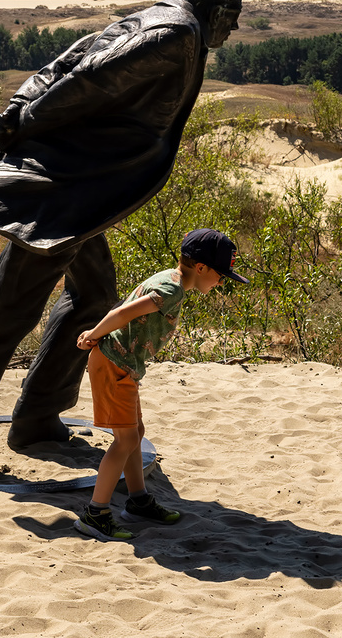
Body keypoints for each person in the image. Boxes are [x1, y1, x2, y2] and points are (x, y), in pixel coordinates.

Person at [0, 0, 248, 466]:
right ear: (215, 10)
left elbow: (64, 61)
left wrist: (22, 103)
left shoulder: (152, 18)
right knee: (9, 311)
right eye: (232, 16)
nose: (233, 28)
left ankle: (38, 417)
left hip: (83, 195)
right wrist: (25, 118)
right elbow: (89, 79)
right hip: (62, 192)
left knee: (95, 296)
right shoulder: (177, 33)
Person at [73, 228, 248, 541]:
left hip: (124, 366)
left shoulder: (172, 280)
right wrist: (94, 335)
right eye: (220, 275)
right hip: (113, 363)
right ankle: (95, 514)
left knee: (135, 434)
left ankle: (138, 502)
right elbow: (122, 312)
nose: (221, 282)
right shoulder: (172, 289)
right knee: (125, 441)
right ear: (202, 268)